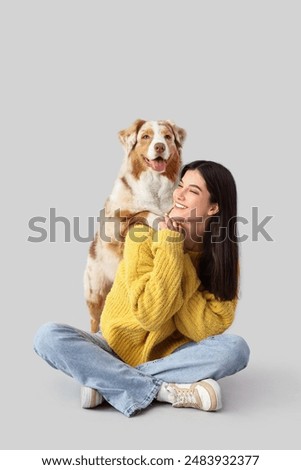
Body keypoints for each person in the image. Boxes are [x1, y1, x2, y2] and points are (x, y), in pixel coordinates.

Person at [34, 160, 250, 417]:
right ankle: (166, 390)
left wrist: (178, 254)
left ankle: (106, 381)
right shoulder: (144, 236)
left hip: (170, 354)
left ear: (213, 207)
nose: (178, 194)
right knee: (48, 336)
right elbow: (149, 315)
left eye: (192, 191)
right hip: (112, 346)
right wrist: (170, 245)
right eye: (180, 185)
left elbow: (206, 329)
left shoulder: (223, 261)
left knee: (236, 349)